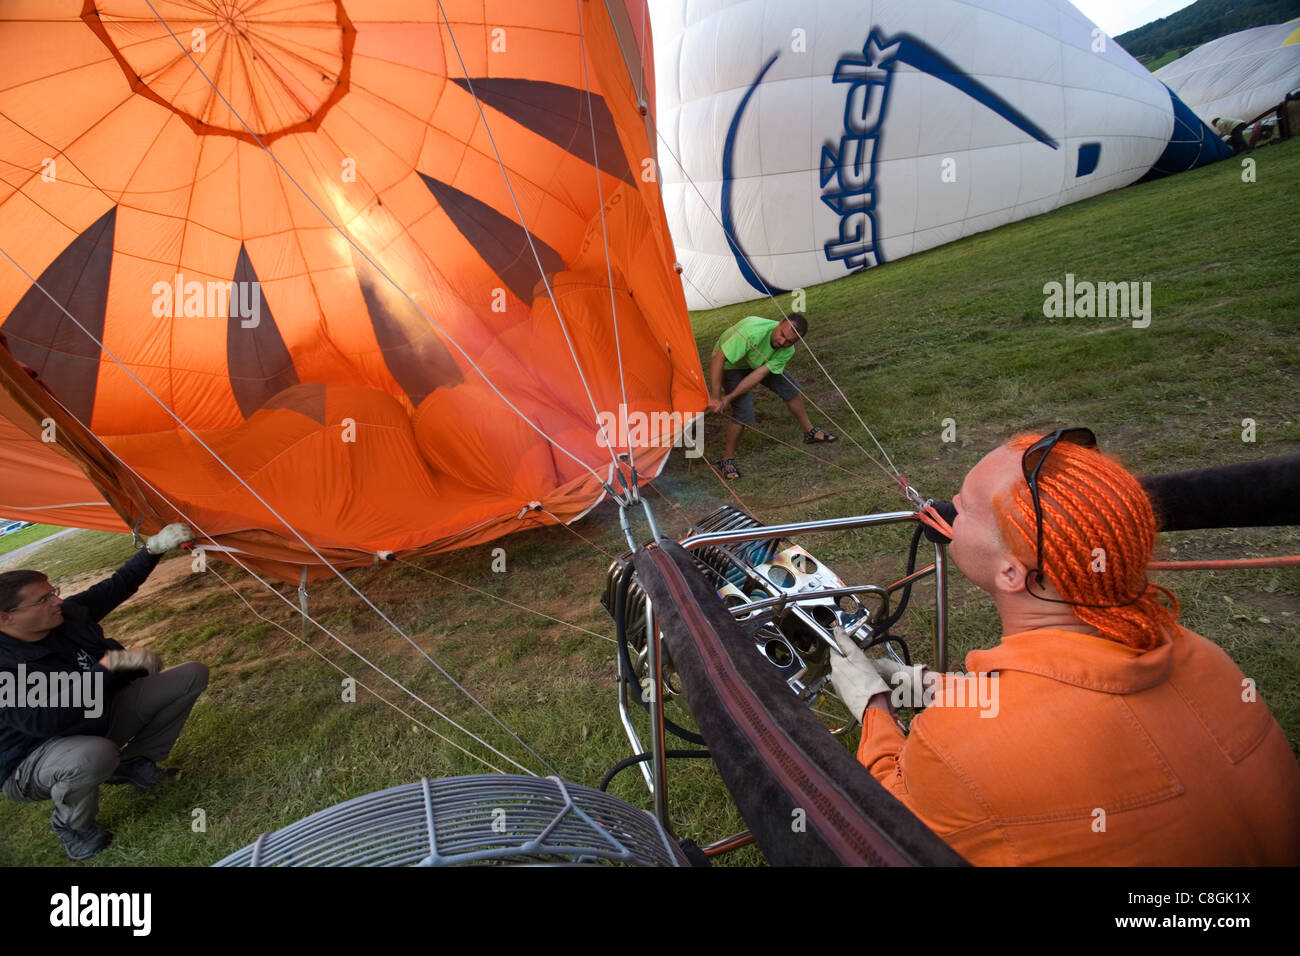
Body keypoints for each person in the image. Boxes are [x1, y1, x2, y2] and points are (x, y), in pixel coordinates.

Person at [830, 429, 1300, 865]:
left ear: (1012, 573)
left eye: (965, 507)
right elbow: (1069, 699)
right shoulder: (1204, 657)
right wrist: (938, 687)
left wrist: (873, 707)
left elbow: (888, 829)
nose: (948, 508)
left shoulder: (955, 748)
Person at [0, 523, 209, 861]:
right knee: (92, 756)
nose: (58, 600)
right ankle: (73, 826)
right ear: (6, 619)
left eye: (54, 591)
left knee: (190, 676)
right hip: (32, 758)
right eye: (45, 599)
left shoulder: (63, 616)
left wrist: (153, 549)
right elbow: (47, 720)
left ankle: (134, 762)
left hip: (92, 721)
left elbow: (113, 588)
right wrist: (109, 668)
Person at [707, 313, 837, 479]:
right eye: (782, 335)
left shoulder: (787, 350)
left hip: (757, 362)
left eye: (789, 341)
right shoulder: (752, 332)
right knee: (744, 410)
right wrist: (716, 397)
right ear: (780, 323)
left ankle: (809, 432)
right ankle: (727, 459)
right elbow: (719, 358)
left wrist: (729, 398)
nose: (782, 342)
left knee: (790, 387)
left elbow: (759, 374)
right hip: (730, 362)